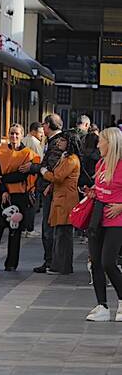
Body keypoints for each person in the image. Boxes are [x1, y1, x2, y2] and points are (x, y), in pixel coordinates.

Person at [0, 124, 37, 271]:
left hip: (19, 195)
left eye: (17, 134)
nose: (14, 137)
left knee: (15, 231)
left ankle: (11, 263)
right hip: (0, 194)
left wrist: (3, 179)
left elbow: (22, 174)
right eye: (12, 134)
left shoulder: (28, 153)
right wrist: (3, 189)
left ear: (22, 135)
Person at [84, 128, 122, 321]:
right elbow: (100, 188)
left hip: (117, 220)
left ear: (111, 143)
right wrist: (91, 191)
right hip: (98, 217)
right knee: (96, 263)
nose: (98, 145)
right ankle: (102, 306)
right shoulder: (100, 163)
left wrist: (121, 206)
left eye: (101, 141)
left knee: (108, 261)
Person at [19, 114, 65, 273]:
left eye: (44, 125)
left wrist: (34, 168)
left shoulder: (58, 142)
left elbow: (51, 166)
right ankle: (49, 260)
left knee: (49, 227)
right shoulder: (54, 141)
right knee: (49, 227)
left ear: (48, 125)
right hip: (49, 186)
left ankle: (50, 261)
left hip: (50, 188)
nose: (42, 128)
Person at [39, 131, 81, 275]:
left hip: (66, 200)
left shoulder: (71, 160)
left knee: (64, 235)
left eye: (62, 140)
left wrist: (44, 172)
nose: (59, 143)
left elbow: (58, 177)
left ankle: (62, 266)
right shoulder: (66, 158)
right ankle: (59, 265)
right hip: (62, 198)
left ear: (69, 143)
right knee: (60, 234)